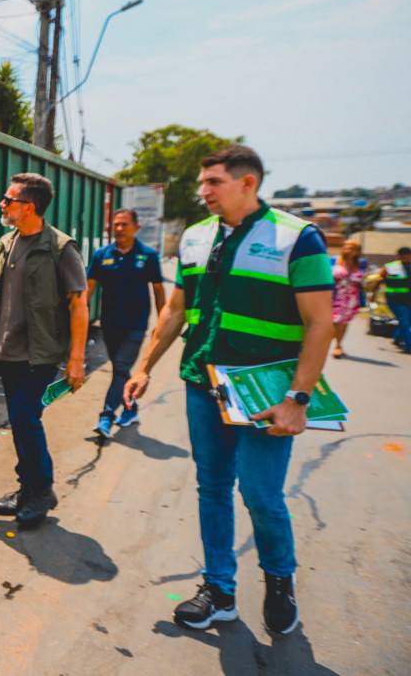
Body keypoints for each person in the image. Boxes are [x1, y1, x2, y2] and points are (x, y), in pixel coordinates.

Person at [124, 145, 334, 635]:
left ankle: (279, 581)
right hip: (204, 384)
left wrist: (298, 399)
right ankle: (219, 590)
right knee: (212, 487)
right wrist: (143, 367)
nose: (203, 192)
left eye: (213, 182)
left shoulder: (297, 239)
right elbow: (176, 311)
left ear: (248, 183)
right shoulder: (196, 238)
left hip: (265, 391)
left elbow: (319, 323)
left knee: (261, 495)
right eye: (203, 183)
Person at [0, 173, 88, 529]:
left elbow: (79, 305)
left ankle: (42, 490)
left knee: (25, 420)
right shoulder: (7, 243)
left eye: (8, 199)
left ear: (28, 207)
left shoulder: (61, 248)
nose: (2, 204)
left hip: (40, 354)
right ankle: (27, 488)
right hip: (8, 351)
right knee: (20, 422)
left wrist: (76, 360)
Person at [86, 208, 166, 438]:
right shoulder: (102, 255)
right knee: (121, 370)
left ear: (136, 228)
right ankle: (131, 410)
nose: (119, 229)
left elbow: (159, 290)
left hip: (136, 324)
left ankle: (106, 417)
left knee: (121, 367)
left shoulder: (148, 255)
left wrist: (162, 323)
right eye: (116, 225)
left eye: (124, 224)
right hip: (109, 324)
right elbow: (88, 290)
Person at [329, 239, 367, 358]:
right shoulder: (333, 261)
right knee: (332, 322)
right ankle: (328, 342)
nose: (348, 250)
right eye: (346, 248)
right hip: (334, 296)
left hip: (351, 298)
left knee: (343, 322)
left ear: (357, 251)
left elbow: (363, 280)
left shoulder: (362, 263)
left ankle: (338, 345)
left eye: (351, 248)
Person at [377, 246, 411, 352]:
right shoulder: (390, 267)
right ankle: (409, 345)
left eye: (407, 254)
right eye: (402, 254)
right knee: (404, 322)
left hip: (409, 299)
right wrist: (372, 295)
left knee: (406, 322)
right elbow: (379, 280)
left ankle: (397, 338)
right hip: (396, 299)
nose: (404, 256)